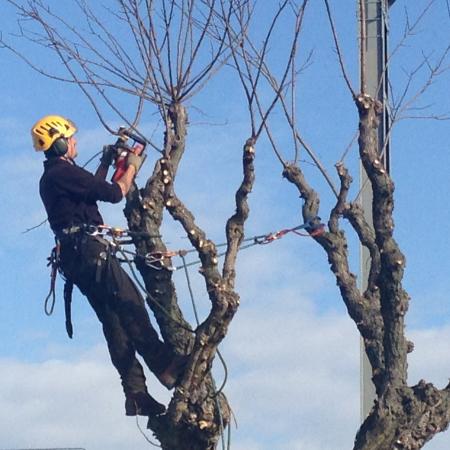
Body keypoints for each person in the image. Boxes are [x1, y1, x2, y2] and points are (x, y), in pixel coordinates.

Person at [32, 115, 186, 417]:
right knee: (130, 304)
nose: (75, 142)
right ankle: (166, 366)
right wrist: (131, 166)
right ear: (60, 143)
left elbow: (91, 190)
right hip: (89, 252)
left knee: (114, 322)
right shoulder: (61, 173)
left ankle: (136, 393)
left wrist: (106, 162)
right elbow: (114, 193)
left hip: (77, 258)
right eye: (71, 138)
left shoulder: (57, 176)